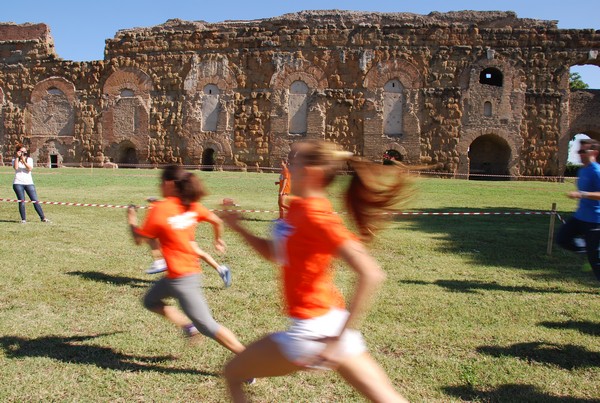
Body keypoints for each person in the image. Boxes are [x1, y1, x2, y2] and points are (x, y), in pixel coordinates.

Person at [222, 140, 410, 402]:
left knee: (232, 373)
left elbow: (370, 272)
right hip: (331, 325)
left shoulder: (317, 216)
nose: (288, 168)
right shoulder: (298, 209)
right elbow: (275, 253)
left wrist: (336, 339)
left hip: (313, 332)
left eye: (295, 162)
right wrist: (239, 227)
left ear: (312, 173)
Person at [127, 165, 246, 355]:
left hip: (184, 279)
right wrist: (218, 239)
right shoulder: (192, 205)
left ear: (168, 183)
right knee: (150, 301)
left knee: (208, 326)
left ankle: (248, 360)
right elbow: (217, 221)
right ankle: (188, 327)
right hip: (175, 276)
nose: (159, 186)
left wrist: (131, 218)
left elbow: (138, 239)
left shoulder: (160, 209)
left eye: (160, 183)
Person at [143, 198, 232, 287]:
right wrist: (218, 239)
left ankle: (161, 262)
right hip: (185, 231)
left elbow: (218, 222)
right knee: (197, 252)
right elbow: (218, 222)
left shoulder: (190, 205)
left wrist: (218, 239)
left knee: (153, 237)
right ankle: (221, 269)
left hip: (181, 233)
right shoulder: (194, 205)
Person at [557, 138, 600, 282]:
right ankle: (589, 248)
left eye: (583, 151)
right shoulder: (582, 170)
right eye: (578, 151)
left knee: (595, 261)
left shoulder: (597, 171)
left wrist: (582, 194)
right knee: (562, 238)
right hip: (580, 217)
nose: (579, 154)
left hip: (595, 220)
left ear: (594, 152)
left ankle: (593, 251)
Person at [12, 144, 50, 223]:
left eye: (24, 152)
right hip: (18, 183)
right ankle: (23, 219)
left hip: (29, 183)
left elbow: (29, 169)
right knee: (21, 201)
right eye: (21, 152)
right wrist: (17, 158)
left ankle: (43, 218)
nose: (23, 153)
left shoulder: (29, 159)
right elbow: (15, 168)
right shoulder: (14, 160)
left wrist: (23, 161)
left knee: (35, 200)